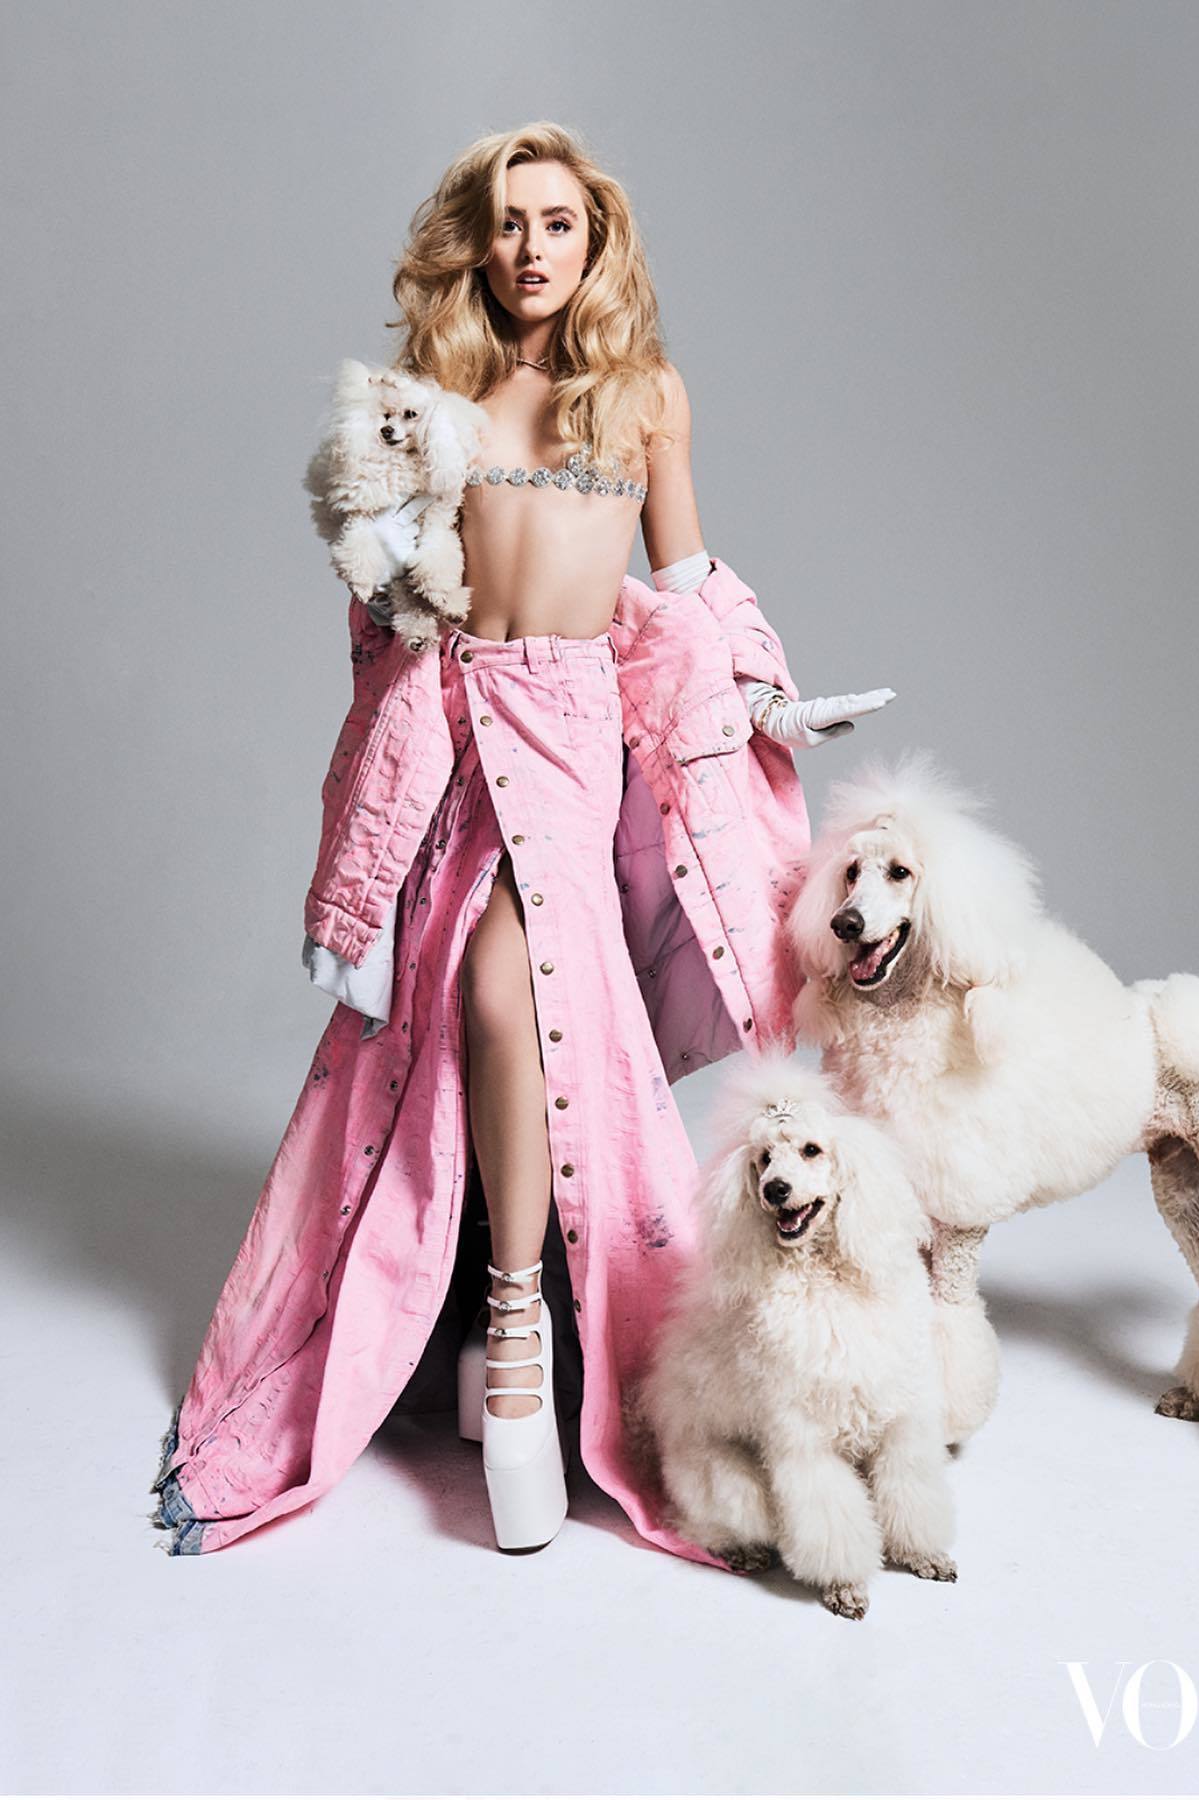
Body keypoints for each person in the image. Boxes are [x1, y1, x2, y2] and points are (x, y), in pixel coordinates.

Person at [150, 121, 893, 1562]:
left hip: (573, 743)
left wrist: (767, 699)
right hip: (454, 734)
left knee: (522, 1000)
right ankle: (493, 1322)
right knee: (463, 1015)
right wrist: (381, 582)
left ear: (595, 240)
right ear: (476, 243)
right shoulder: (426, 401)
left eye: (559, 223)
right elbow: (385, 609)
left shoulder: (647, 395)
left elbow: (685, 586)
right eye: (509, 223)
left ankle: (519, 1337)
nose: (533, 247)